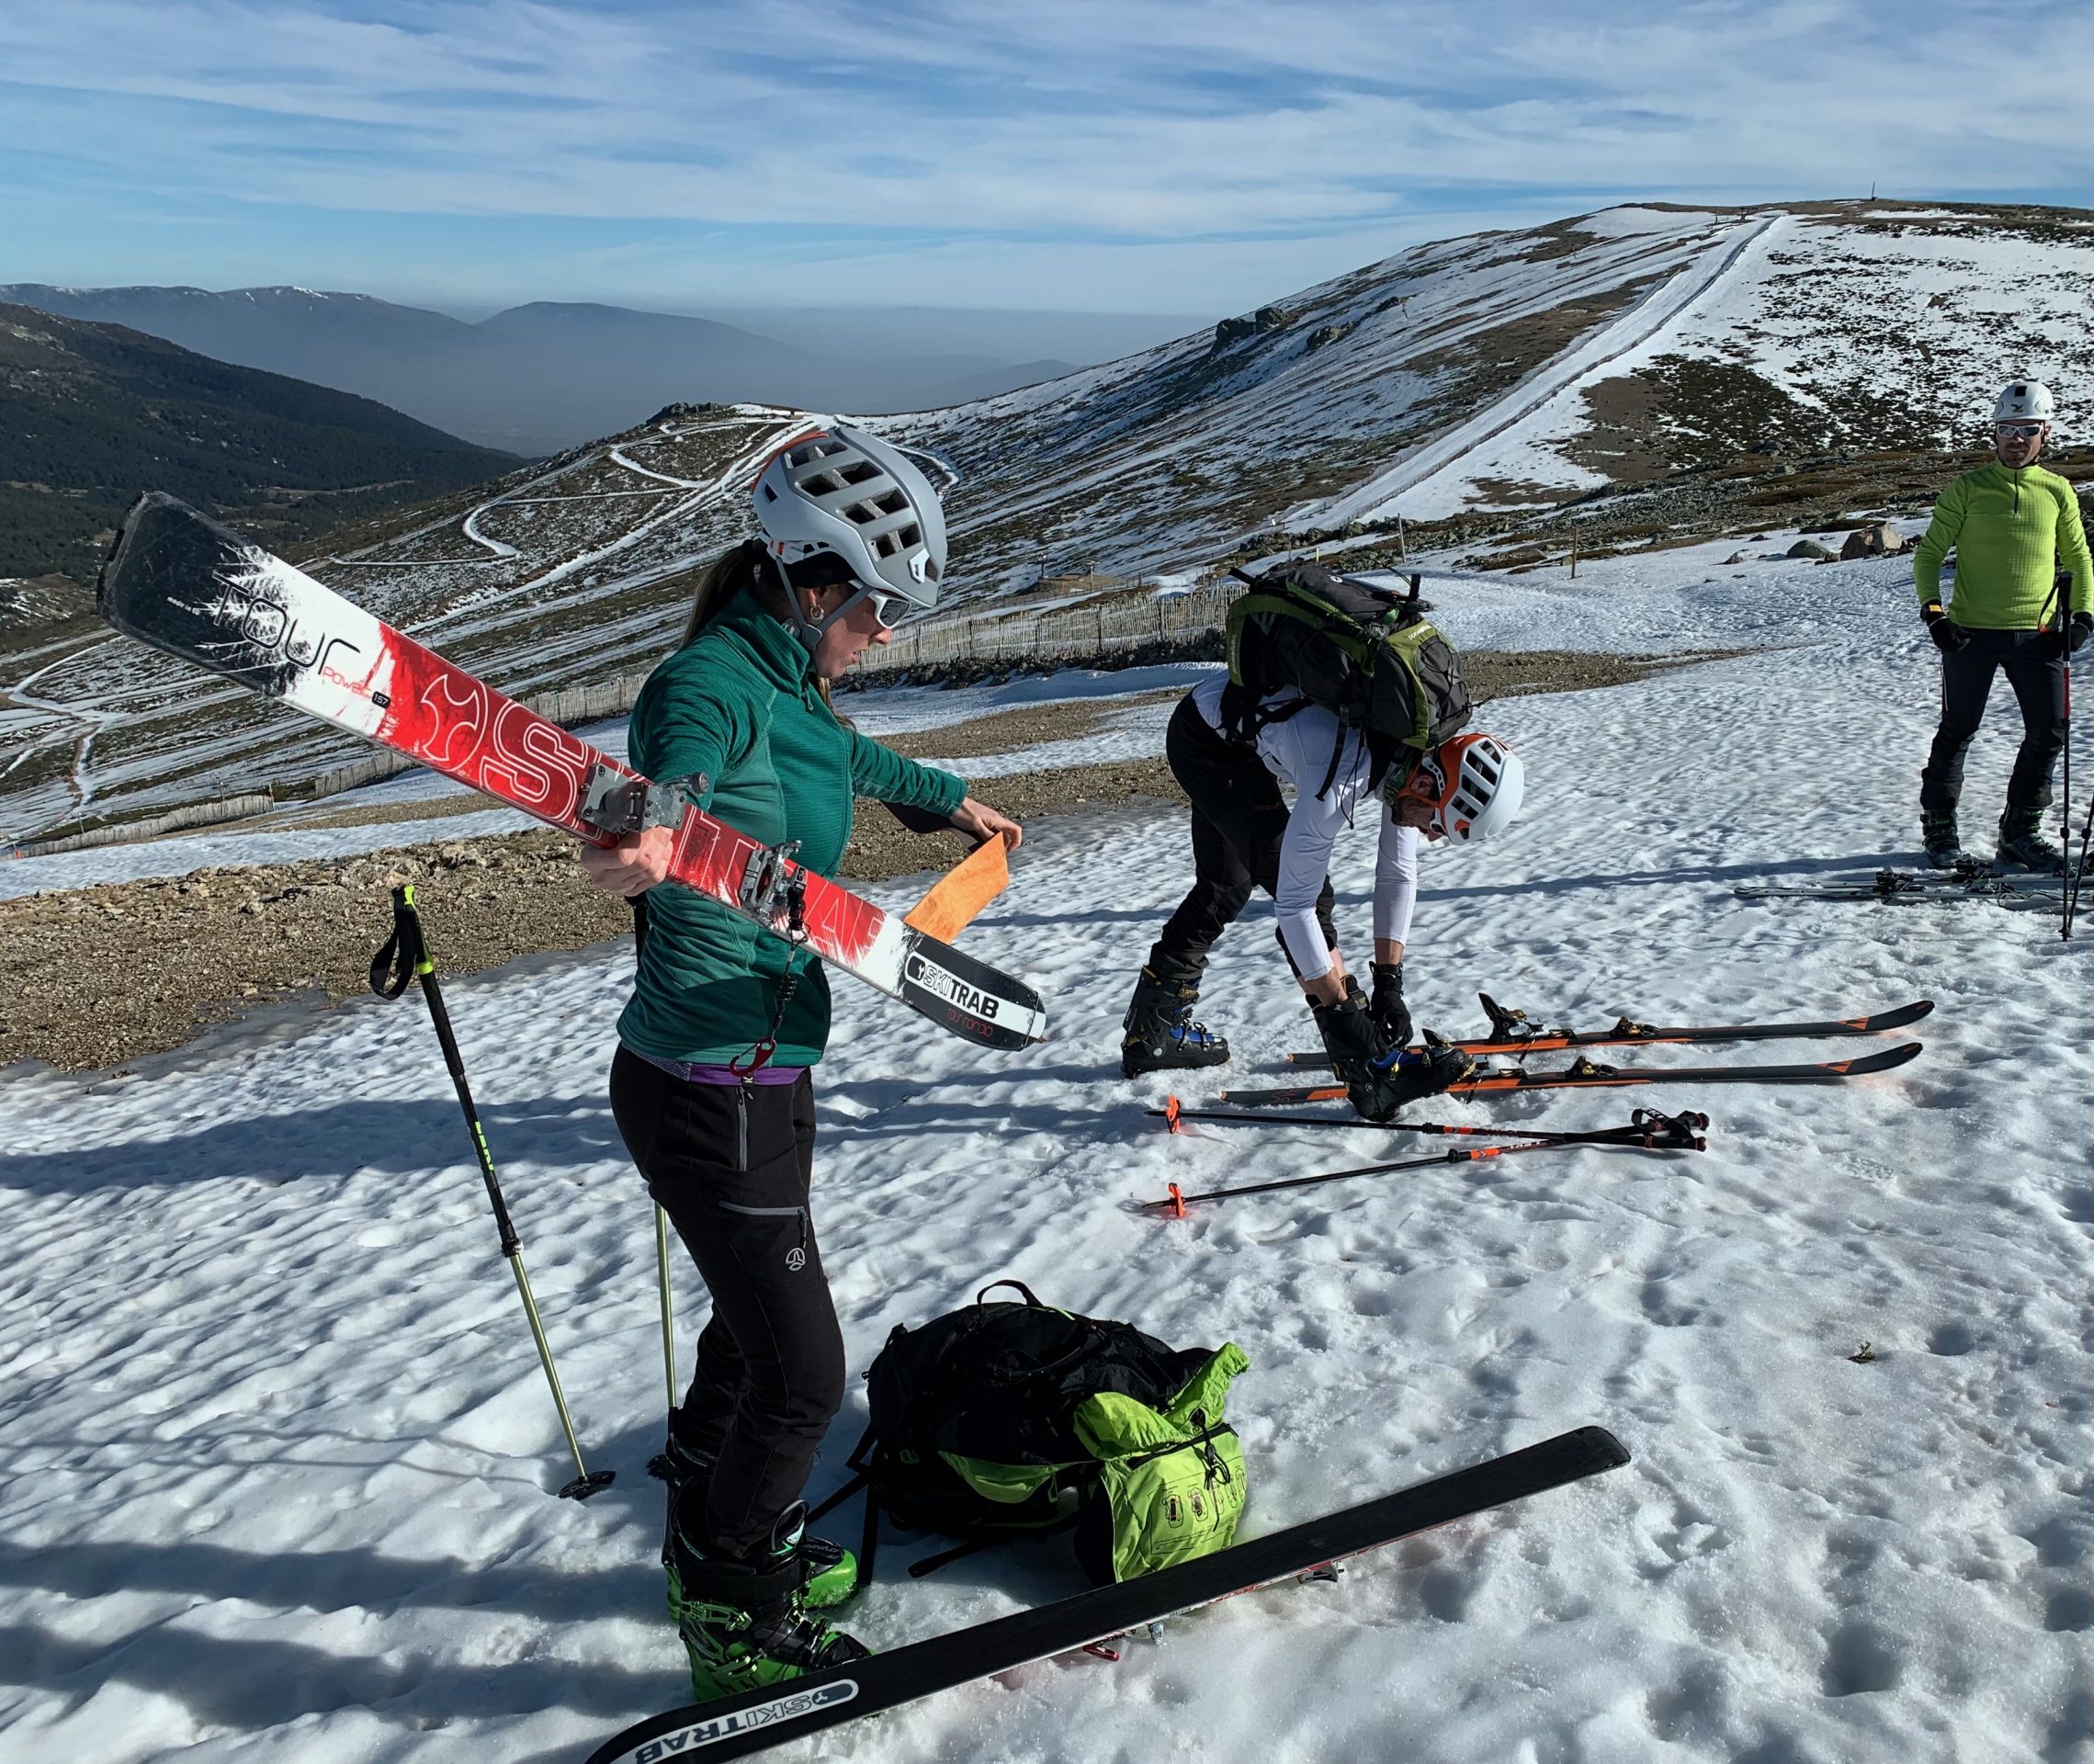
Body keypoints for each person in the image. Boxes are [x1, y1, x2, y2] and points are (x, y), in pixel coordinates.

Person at [581, 422, 1022, 1700]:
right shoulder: (711, 680)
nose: (886, 632)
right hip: (705, 1083)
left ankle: (717, 1529)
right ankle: (732, 1606)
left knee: (755, 1334)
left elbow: (847, 755)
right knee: (804, 1376)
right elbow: (674, 773)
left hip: (765, 1070)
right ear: (810, 578)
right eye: (877, 607)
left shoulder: (791, 687)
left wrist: (944, 797)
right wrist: (649, 837)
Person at [1121, 667, 1525, 1120]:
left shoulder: (1415, 758)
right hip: (1207, 740)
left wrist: (1389, 983)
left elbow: (1397, 874)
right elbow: (1295, 908)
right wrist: (1346, 1015)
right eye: (1436, 824)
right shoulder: (1340, 778)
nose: (1430, 836)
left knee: (1226, 885)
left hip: (1235, 722)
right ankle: (1370, 1074)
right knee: (1305, 896)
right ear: (1428, 785)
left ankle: (1151, 1036)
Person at [1912, 379, 2094, 871]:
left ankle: (2021, 832)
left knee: (2050, 731)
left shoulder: (2057, 490)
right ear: (1994, 433)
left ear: (2045, 432)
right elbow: (1929, 554)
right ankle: (1940, 831)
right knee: (1958, 729)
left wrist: (2081, 616)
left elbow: (2077, 555)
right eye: (2007, 429)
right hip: (1970, 634)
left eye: (2028, 429)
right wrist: (1935, 614)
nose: (2016, 439)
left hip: (2038, 636)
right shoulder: (1969, 488)